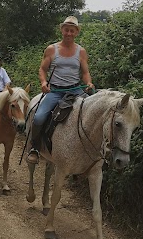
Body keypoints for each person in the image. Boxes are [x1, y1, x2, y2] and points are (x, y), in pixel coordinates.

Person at [27, 16, 94, 164]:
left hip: (76, 90)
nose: (69, 33)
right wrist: (44, 82)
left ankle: (89, 152)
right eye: (66, 30)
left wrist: (89, 82)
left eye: (72, 30)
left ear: (76, 32)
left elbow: (85, 72)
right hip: (55, 91)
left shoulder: (81, 52)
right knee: (38, 117)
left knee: (92, 114)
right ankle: (35, 147)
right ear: (62, 30)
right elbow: (42, 69)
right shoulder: (52, 49)